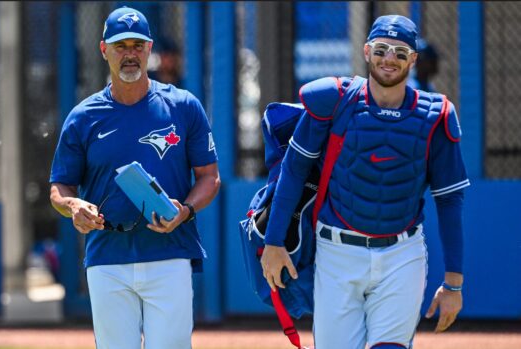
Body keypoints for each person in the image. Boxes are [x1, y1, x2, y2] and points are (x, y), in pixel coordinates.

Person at [261, 15, 469, 348]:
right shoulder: (335, 99)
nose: (390, 59)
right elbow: (294, 170)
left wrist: (454, 284)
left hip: (402, 253)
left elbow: (449, 200)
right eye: (382, 49)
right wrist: (273, 242)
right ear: (367, 51)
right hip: (336, 251)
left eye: (400, 52)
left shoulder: (435, 116)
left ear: (413, 59)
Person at [49, 6, 220, 349]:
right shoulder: (82, 117)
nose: (130, 54)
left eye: (137, 45)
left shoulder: (183, 106)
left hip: (170, 253)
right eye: (121, 45)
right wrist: (73, 205)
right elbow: (59, 186)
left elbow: (210, 177)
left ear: (149, 48)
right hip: (107, 257)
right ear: (104, 50)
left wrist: (184, 210)